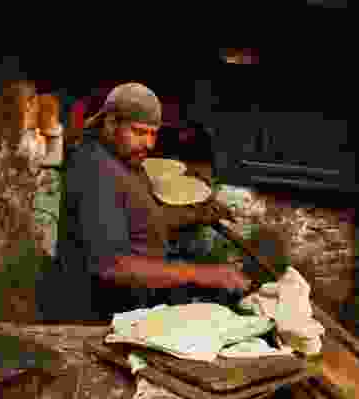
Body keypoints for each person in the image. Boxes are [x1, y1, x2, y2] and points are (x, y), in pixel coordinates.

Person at [38, 82, 251, 322]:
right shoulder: (94, 169)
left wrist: (196, 214)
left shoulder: (125, 159)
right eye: (139, 132)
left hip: (133, 306)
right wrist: (204, 275)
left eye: (153, 133)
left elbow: (137, 218)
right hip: (98, 317)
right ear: (110, 123)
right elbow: (111, 266)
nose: (149, 144)